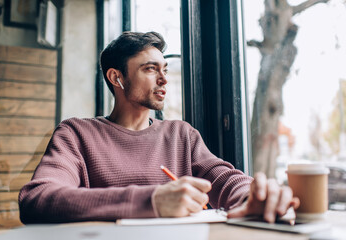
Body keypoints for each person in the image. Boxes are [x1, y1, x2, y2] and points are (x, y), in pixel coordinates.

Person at [18, 31, 299, 224]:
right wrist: (151, 200)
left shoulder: (181, 134)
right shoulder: (76, 134)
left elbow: (223, 178)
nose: (164, 79)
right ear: (117, 78)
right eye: (151, 69)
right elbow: (37, 198)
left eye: (165, 69)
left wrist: (253, 196)